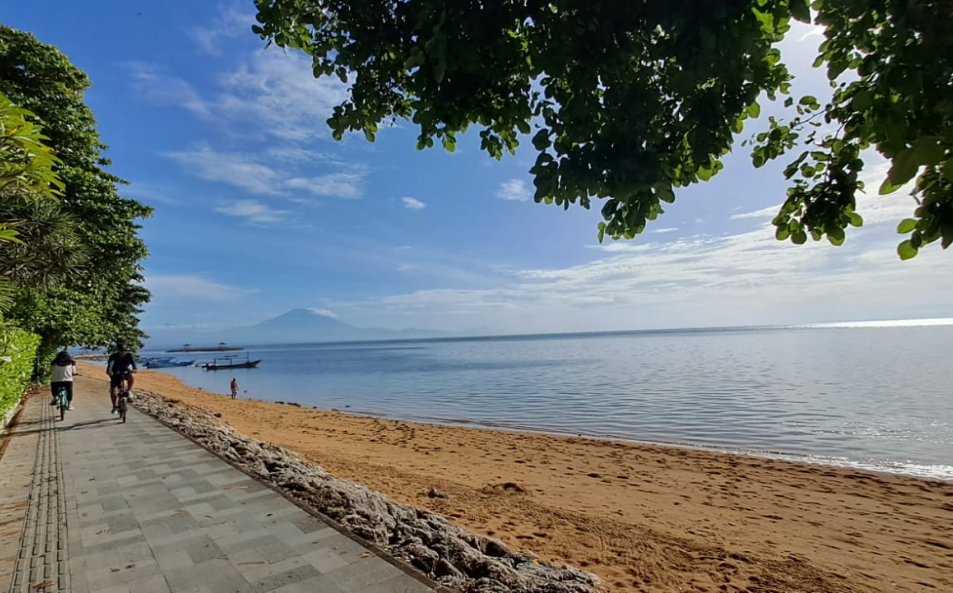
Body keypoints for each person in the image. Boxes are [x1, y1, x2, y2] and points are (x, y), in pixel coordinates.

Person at [106, 343, 137, 415]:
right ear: (118, 350)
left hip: (125, 371)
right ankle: (114, 406)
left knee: (131, 377)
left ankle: (129, 391)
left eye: (125, 351)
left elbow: (133, 363)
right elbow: (110, 364)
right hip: (115, 372)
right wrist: (109, 371)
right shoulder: (113, 356)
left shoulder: (129, 355)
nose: (123, 352)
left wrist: (135, 368)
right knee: (113, 390)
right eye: (122, 351)